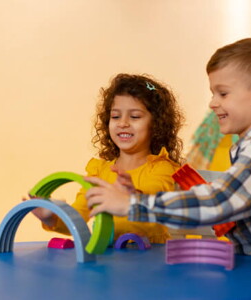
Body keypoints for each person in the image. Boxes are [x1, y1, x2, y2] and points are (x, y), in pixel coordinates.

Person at [85, 37, 251, 259]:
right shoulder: (249, 146)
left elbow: (217, 203)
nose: (213, 103)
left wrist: (132, 204)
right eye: (213, 93)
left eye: (223, 93)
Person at [30, 73, 185, 244]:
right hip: (110, 257)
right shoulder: (99, 171)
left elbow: (156, 199)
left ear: (156, 125)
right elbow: (78, 219)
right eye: (115, 116)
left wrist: (132, 197)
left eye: (134, 116)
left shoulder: (161, 167)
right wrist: (51, 217)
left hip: (150, 257)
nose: (123, 123)